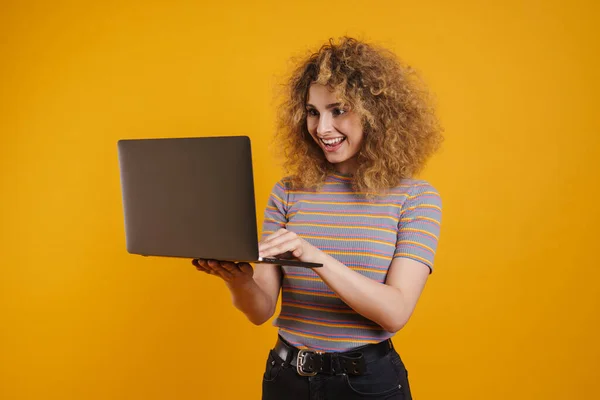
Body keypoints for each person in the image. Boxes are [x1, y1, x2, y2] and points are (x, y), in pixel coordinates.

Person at [192, 36, 443, 399]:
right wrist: (239, 280)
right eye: (313, 112)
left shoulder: (415, 199)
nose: (322, 128)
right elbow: (261, 311)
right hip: (286, 379)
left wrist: (316, 258)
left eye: (338, 110)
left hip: (368, 384)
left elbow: (395, 312)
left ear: (376, 113)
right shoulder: (288, 191)